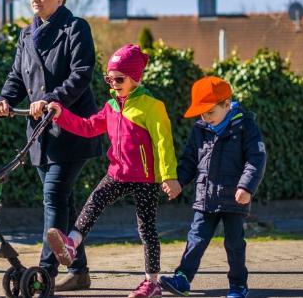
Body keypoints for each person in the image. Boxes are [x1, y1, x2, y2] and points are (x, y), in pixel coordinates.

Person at [0, 0, 100, 291]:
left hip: (72, 129)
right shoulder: (26, 35)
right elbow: (16, 77)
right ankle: (79, 271)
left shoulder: (75, 28)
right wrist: (4, 100)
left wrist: (53, 99)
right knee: (62, 202)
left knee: (53, 196)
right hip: (40, 133)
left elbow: (81, 74)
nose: (34, 0)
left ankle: (44, 273)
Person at [45, 44, 180, 298]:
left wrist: (169, 176)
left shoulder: (152, 106)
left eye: (120, 78)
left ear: (135, 78)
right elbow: (87, 127)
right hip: (117, 172)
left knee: (147, 229)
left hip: (146, 178)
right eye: (110, 78)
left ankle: (152, 283)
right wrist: (61, 115)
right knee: (93, 203)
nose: (114, 83)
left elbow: (164, 143)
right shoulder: (111, 107)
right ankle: (71, 244)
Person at [158, 76, 267, 298]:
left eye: (210, 112)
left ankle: (238, 285)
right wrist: (178, 181)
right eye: (201, 113)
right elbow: (190, 160)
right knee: (196, 238)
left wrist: (246, 187)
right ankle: (183, 278)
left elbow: (256, 158)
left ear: (226, 105)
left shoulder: (245, 126)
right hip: (205, 197)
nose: (205, 118)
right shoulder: (200, 128)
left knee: (234, 243)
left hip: (234, 198)